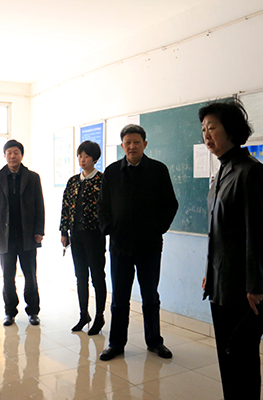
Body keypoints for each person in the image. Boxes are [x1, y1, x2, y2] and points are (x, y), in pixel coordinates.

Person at [200, 100, 263, 400]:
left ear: (231, 129)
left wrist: (256, 285)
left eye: (212, 128)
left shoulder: (250, 171)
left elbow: (258, 234)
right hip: (221, 282)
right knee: (227, 356)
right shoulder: (222, 171)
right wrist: (209, 273)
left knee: (242, 358)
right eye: (203, 129)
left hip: (243, 287)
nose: (206, 135)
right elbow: (217, 233)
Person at [97, 124, 178, 361]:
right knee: (119, 299)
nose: (132, 146)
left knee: (150, 296)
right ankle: (116, 344)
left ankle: (154, 342)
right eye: (127, 143)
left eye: (136, 142)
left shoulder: (158, 170)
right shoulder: (112, 172)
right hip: (120, 246)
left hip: (149, 246)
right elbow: (102, 206)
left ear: (145, 144)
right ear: (122, 146)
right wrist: (109, 229)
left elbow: (170, 204)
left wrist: (157, 228)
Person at [0, 139, 45, 326]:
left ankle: (33, 311)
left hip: (27, 235)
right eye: (9, 153)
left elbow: (39, 205)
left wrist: (39, 230)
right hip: (5, 237)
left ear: (22, 155)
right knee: (7, 277)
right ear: (5, 156)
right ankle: (9, 312)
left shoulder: (32, 178)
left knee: (30, 276)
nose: (12, 156)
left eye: (16, 153)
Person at [59, 140, 107, 334]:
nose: (82, 159)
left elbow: (107, 208)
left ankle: (100, 316)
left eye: (86, 156)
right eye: (80, 156)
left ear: (95, 159)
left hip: (95, 235)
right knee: (81, 277)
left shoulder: (102, 180)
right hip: (76, 235)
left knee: (97, 277)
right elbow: (65, 207)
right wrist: (64, 231)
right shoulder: (73, 181)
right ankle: (83, 314)